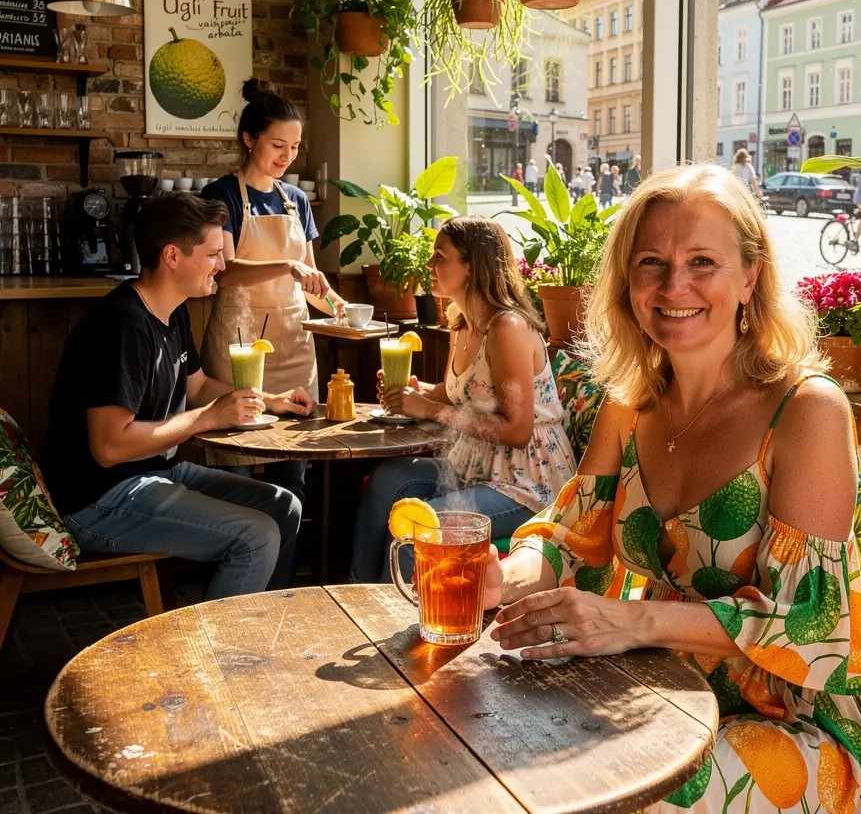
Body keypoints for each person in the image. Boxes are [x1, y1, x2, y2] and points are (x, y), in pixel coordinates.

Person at [481, 164, 861, 814]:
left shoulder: (806, 411)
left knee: (635, 795)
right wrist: (503, 578)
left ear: (750, 277)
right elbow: (575, 536)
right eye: (650, 261)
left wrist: (632, 621)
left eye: (703, 261)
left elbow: (816, 622)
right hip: (667, 698)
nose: (673, 285)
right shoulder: (628, 406)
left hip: (803, 726)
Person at [41, 194, 312, 599]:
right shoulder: (122, 326)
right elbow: (109, 447)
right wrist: (206, 419)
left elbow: (198, 387)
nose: (222, 266)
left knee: (283, 506)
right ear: (172, 256)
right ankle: (217, 658)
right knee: (255, 537)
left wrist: (268, 399)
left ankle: (259, 622)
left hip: (156, 473)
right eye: (213, 254)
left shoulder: (174, 310)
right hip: (98, 499)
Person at [349, 216, 576, 583]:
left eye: (440, 256)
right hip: (476, 467)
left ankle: (403, 623)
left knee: (418, 531)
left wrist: (429, 409)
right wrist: (413, 392)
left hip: (528, 483)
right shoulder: (460, 321)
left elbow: (518, 431)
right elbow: (460, 392)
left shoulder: (507, 328)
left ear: (473, 266)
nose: (429, 265)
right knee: (386, 479)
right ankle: (359, 594)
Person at [201, 79, 344, 502]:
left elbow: (314, 283)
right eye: (278, 145)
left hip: (297, 352)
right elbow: (224, 272)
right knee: (238, 473)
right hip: (240, 349)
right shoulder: (222, 194)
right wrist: (286, 265)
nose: (288, 156)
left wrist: (344, 309)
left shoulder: (296, 199)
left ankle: (284, 565)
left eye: (295, 147)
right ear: (249, 138)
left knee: (294, 473)